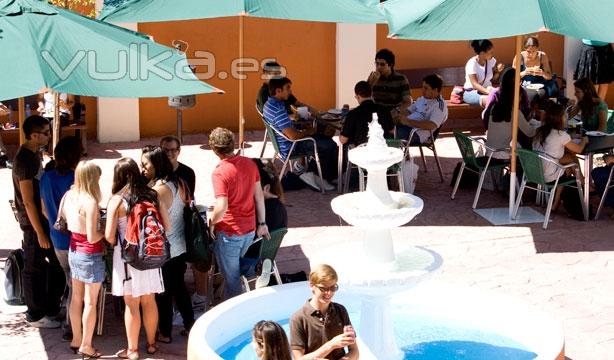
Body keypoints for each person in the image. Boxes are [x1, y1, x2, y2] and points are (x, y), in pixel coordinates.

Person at [106, 158, 167, 359]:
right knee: (150, 300)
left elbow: (108, 236)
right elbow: (166, 226)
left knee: (132, 304)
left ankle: (132, 350)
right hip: (151, 254)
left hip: (127, 259)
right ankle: (151, 344)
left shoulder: (117, 201)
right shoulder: (152, 195)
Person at [12, 115, 64, 329]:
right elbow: (27, 201)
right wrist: (40, 232)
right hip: (32, 223)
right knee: (33, 268)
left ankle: (50, 308)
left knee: (57, 265)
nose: (49, 136)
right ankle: (35, 315)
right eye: (46, 132)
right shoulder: (25, 160)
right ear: (34, 135)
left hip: (42, 220)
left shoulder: (35, 154)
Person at [141, 146, 195, 343]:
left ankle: (164, 332)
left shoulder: (158, 190)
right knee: (179, 288)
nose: (143, 168)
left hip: (165, 248)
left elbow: (152, 220)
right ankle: (190, 325)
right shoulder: (179, 181)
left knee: (163, 292)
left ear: (156, 165)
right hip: (180, 244)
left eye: (145, 165)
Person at [208, 127, 270, 299]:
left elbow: (221, 206)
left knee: (232, 281)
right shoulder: (249, 163)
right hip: (249, 230)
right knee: (237, 275)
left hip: (230, 232)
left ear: (214, 149)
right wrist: (262, 223)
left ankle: (236, 315)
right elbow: (258, 197)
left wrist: (211, 222)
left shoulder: (220, 172)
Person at [39, 136, 82, 341]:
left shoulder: (47, 178)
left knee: (68, 279)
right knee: (75, 283)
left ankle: (69, 317)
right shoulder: (75, 179)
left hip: (56, 237)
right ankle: (70, 326)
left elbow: (43, 209)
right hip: (74, 238)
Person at [62, 160, 106, 358]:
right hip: (90, 254)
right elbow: (92, 236)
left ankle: (76, 339)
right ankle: (87, 345)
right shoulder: (90, 202)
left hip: (73, 249)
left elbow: (57, 216)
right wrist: (105, 231)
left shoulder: (69, 195)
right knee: (90, 302)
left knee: (76, 299)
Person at [263, 77, 338, 191]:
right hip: (292, 147)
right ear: (278, 91)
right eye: (287, 88)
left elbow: (285, 127)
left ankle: (317, 173)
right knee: (329, 145)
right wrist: (311, 131)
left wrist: (302, 128)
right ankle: (315, 175)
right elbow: (293, 136)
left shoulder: (269, 104)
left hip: (283, 144)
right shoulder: (278, 109)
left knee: (325, 138)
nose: (290, 91)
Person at [159, 135, 206, 310]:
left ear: (179, 152)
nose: (170, 153)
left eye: (173, 150)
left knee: (199, 256)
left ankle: (201, 296)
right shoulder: (155, 171)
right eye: (166, 150)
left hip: (184, 224)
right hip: (164, 227)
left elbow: (188, 200)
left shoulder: (187, 172)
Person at [290, 264, 358, 360]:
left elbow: (354, 351)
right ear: (312, 286)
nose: (329, 293)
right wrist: (331, 345)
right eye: (324, 288)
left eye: (333, 288)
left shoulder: (340, 310)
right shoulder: (298, 319)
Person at [240, 159, 288, 287]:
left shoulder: (266, 210)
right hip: (266, 256)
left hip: (251, 259)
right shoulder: (278, 205)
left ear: (266, 188)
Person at [533, 103, 588, 210]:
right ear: (559, 119)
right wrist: (584, 141)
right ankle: (584, 184)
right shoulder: (561, 135)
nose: (566, 118)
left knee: (570, 158)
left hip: (536, 172)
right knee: (570, 162)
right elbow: (579, 149)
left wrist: (570, 138)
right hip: (549, 175)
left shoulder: (539, 131)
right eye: (564, 116)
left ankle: (556, 202)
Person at [484, 68, 536, 158]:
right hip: (501, 153)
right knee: (526, 150)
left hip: (490, 151)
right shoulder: (515, 112)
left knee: (519, 143)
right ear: (516, 96)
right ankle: (520, 172)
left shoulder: (494, 107)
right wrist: (543, 128)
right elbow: (530, 132)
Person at [395, 74, 449, 144]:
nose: (422, 90)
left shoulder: (439, 106)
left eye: (426, 88)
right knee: (383, 128)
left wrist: (408, 121)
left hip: (416, 134)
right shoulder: (422, 99)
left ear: (435, 90)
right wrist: (398, 113)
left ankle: (399, 154)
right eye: (423, 87)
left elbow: (432, 125)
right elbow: (408, 111)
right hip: (406, 127)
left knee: (387, 135)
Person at [339, 80, 394, 147]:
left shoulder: (353, 114)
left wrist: (342, 131)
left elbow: (343, 140)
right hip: (383, 152)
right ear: (371, 94)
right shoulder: (385, 110)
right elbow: (392, 131)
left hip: (362, 154)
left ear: (358, 97)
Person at [367, 48, 412, 119]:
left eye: (382, 64)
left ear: (390, 65)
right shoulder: (374, 77)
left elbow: (407, 102)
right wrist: (370, 84)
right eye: (377, 63)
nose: (378, 67)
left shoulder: (401, 79)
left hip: (394, 116)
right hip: (377, 116)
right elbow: (364, 97)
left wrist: (396, 111)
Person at [463, 39, 504, 107]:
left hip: (487, 89)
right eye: (490, 52)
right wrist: (489, 93)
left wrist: (498, 72)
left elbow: (493, 79)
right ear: (482, 53)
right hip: (471, 92)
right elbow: (475, 84)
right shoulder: (472, 63)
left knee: (503, 96)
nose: (492, 54)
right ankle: (488, 117)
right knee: (492, 100)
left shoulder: (491, 61)